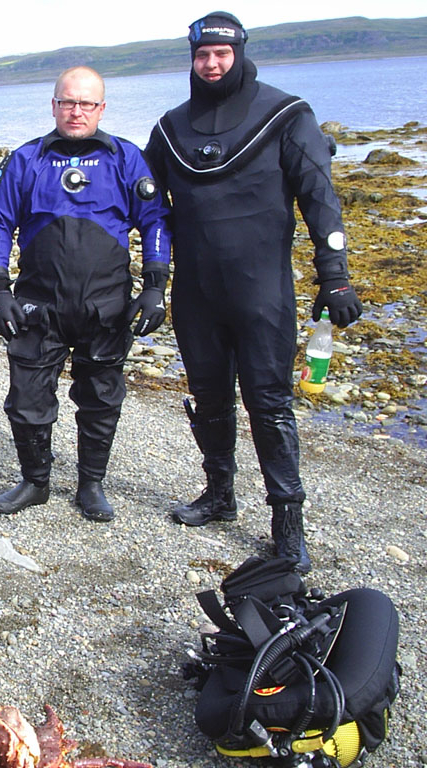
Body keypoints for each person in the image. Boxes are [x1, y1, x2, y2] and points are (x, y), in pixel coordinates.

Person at [145, 12, 362, 572]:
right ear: (191, 58)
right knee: (210, 397)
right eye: (202, 56)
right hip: (196, 292)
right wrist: (145, 279)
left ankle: (288, 524)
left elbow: (319, 196)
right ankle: (219, 495)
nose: (212, 64)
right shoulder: (171, 128)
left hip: (261, 290)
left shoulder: (286, 114)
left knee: (269, 404)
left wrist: (333, 274)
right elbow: (145, 207)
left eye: (222, 54)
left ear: (239, 52)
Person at [0, 67, 171, 522]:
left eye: (87, 103)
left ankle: (91, 484)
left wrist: (155, 287)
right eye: (68, 102)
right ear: (54, 106)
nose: (76, 111)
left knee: (101, 398)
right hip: (37, 305)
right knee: (27, 401)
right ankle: (35, 481)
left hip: (105, 305)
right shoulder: (26, 160)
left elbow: (156, 221)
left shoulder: (126, 158)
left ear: (101, 108)